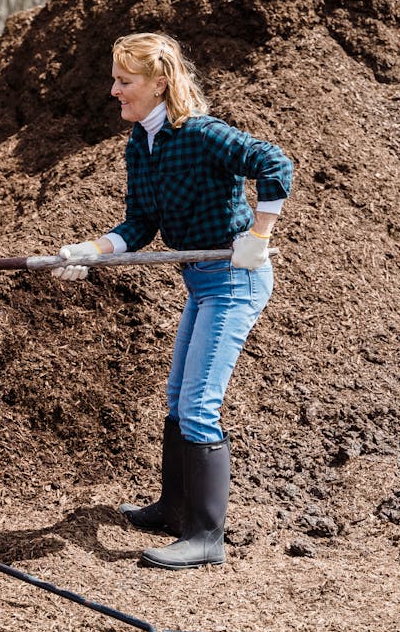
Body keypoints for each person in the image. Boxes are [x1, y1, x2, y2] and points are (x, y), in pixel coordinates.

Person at [52, 33, 292, 570]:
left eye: (124, 81)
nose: (113, 90)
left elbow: (275, 162)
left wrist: (259, 234)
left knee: (201, 404)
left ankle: (206, 536)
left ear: (159, 83)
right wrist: (88, 251)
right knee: (179, 399)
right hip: (200, 280)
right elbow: (141, 224)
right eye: (115, 79)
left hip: (234, 280)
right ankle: (173, 508)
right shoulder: (142, 142)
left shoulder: (202, 135)